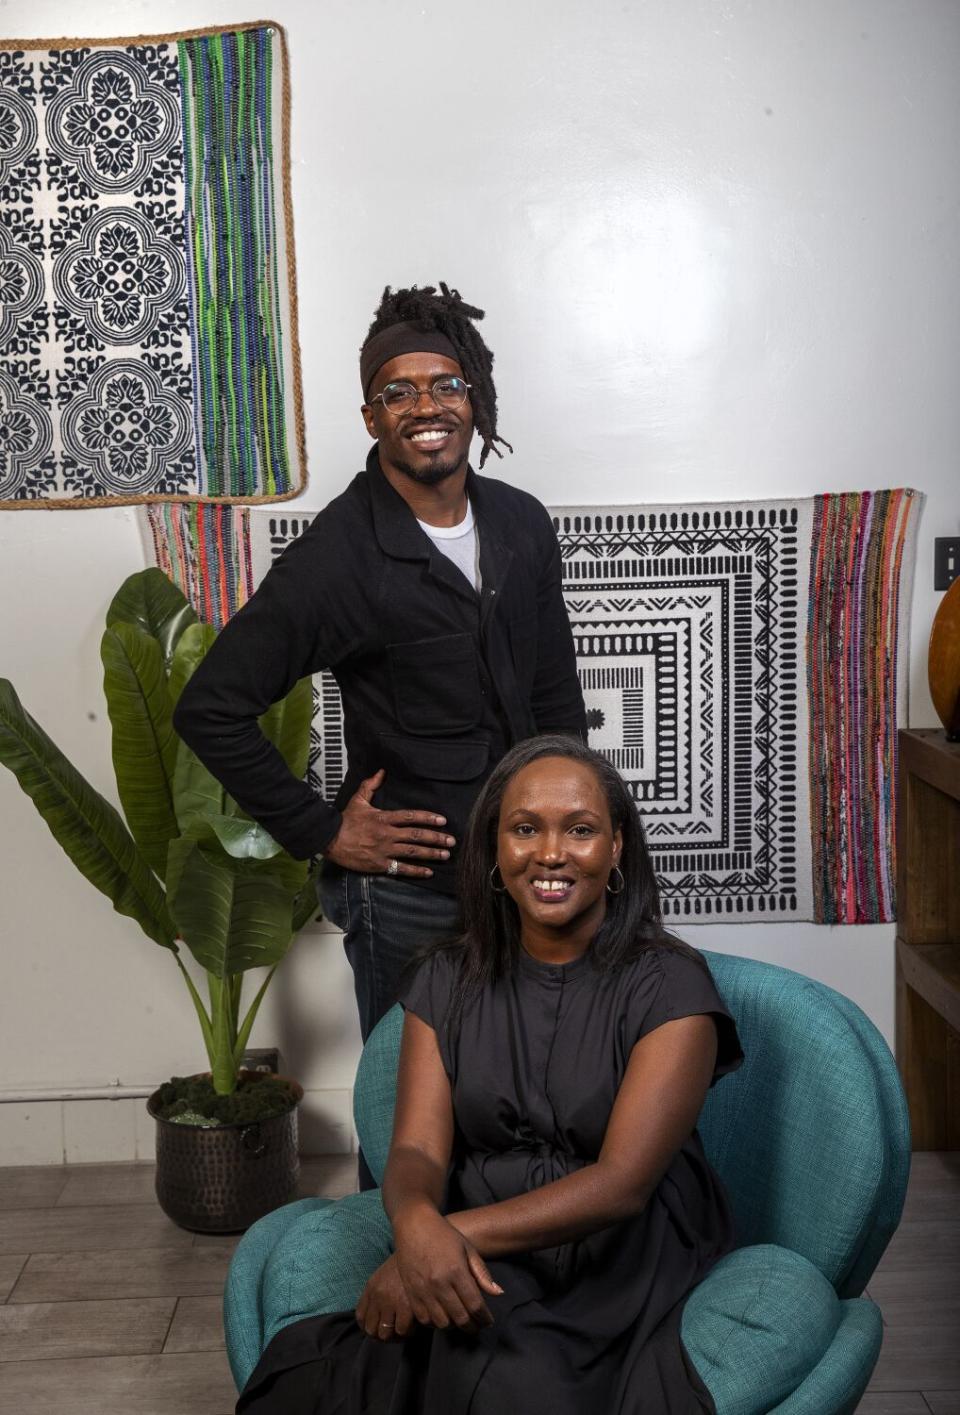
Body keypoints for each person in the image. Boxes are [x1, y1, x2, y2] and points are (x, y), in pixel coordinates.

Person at [236, 735, 745, 1415]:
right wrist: (417, 1222)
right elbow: (416, 1148)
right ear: (495, 849)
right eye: (525, 827)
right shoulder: (446, 977)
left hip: (617, 1249)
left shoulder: (672, 984)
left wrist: (445, 1240)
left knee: (506, 1373)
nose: (551, 852)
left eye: (582, 829)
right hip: (478, 1234)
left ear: (618, 847)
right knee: (314, 1381)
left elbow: (623, 1184)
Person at [173, 284, 586, 1064]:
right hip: (409, 896)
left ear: (476, 400)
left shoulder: (521, 523)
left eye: (446, 385)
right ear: (372, 418)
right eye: (398, 391)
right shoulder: (341, 556)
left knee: (541, 1081)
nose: (425, 405)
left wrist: (582, 828)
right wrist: (323, 828)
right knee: (407, 1109)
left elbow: (555, 695)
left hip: (532, 877)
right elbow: (211, 705)